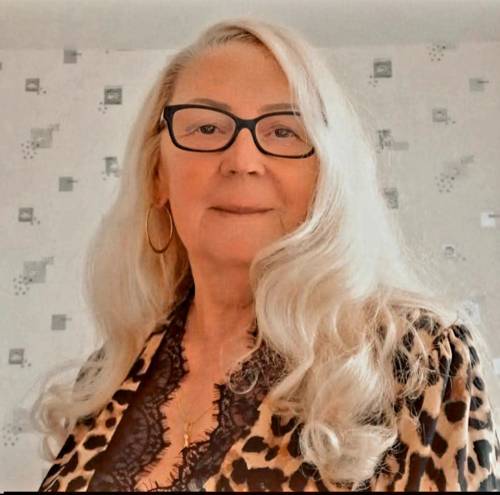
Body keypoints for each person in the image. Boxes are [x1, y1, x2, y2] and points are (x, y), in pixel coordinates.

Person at [33, 17, 499, 492]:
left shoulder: (418, 360)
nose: (242, 161)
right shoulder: (109, 373)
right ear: (158, 175)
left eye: (283, 131)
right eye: (206, 127)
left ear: (326, 174)